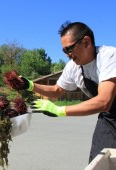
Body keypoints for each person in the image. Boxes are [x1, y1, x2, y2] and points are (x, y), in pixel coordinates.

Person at [17, 21, 116, 163]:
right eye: (64, 51)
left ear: (86, 42)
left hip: (107, 107)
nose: (67, 55)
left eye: (69, 49)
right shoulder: (73, 67)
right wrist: (30, 85)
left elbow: (104, 101)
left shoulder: (109, 56)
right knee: (99, 162)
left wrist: (60, 110)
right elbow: (56, 90)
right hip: (109, 118)